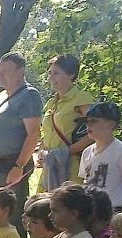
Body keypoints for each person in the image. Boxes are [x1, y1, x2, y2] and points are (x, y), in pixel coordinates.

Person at [0, 52, 43, 238]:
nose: (0, 76)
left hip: (11, 165)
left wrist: (19, 166)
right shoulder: (1, 96)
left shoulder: (29, 95)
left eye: (5, 71)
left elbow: (33, 134)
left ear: (20, 72)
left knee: (11, 217)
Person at [39, 54, 94, 190]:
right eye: (50, 73)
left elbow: (95, 132)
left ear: (71, 74)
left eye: (56, 73)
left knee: (68, 200)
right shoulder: (51, 103)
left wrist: (67, 151)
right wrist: (41, 152)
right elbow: (46, 133)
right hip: (50, 165)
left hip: (72, 165)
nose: (51, 77)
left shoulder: (82, 98)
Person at [78, 101, 122, 212]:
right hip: (90, 210)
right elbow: (84, 181)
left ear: (111, 124)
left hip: (112, 209)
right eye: (87, 122)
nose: (88, 125)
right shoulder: (86, 152)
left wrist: (116, 195)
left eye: (94, 121)